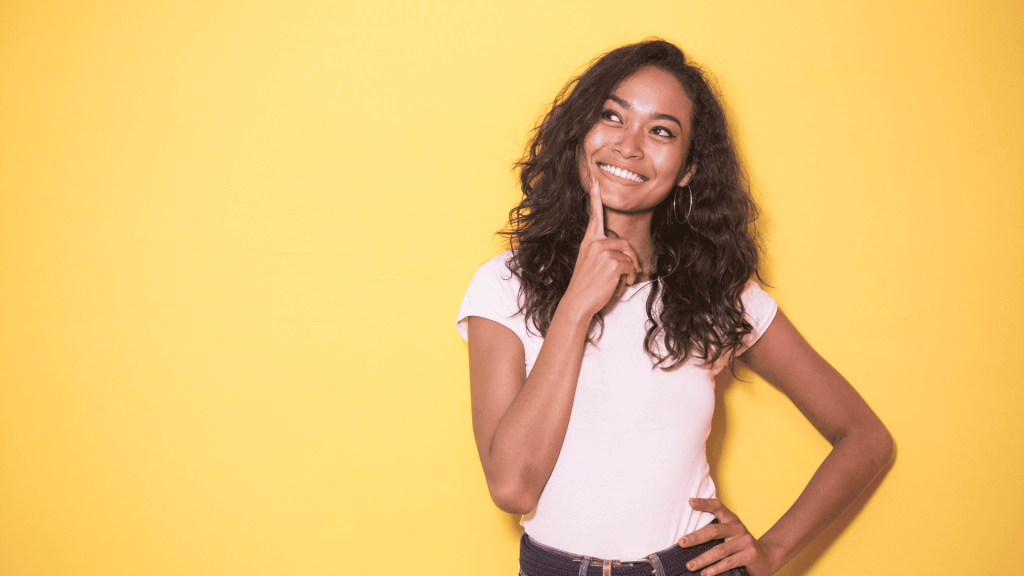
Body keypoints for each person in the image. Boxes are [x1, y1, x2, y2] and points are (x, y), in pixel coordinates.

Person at [456, 39, 893, 576]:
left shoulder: (717, 293)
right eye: (612, 116)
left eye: (662, 131)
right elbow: (512, 486)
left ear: (687, 168)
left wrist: (773, 551)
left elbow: (865, 439)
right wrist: (576, 305)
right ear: (579, 136)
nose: (630, 145)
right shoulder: (504, 284)